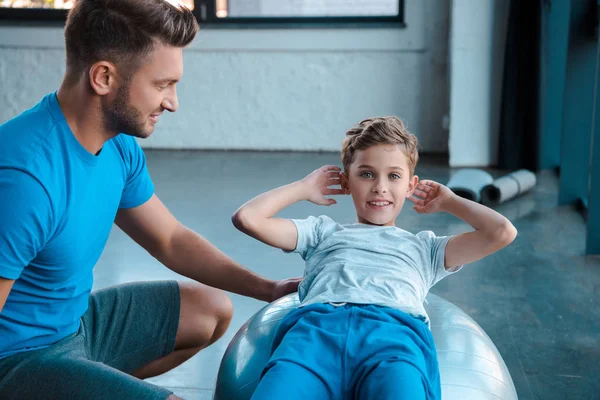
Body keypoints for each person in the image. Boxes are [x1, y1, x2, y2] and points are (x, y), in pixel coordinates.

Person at [0, 1, 299, 399]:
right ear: (104, 77)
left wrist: (268, 288)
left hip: (74, 326)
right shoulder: (26, 179)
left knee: (210, 310)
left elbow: (169, 239)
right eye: (162, 85)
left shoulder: (117, 145)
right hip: (17, 359)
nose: (172, 102)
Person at [232, 116, 518, 399]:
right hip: (315, 336)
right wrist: (302, 189)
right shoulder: (321, 233)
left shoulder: (426, 249)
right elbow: (248, 218)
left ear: (410, 185)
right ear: (346, 183)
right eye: (366, 174)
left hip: (393, 342)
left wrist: (451, 201)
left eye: (394, 176)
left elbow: (501, 232)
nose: (380, 186)